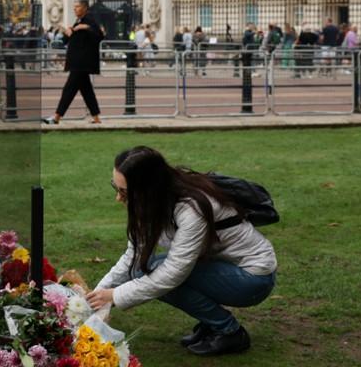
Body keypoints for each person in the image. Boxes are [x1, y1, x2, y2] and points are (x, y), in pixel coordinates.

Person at [87, 146, 276, 356]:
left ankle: (230, 332)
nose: (119, 199)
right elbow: (134, 255)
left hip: (253, 279)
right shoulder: (154, 200)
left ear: (148, 188)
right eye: (116, 187)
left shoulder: (191, 208)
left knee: (156, 272)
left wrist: (115, 295)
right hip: (220, 268)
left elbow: (174, 273)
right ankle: (212, 324)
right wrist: (97, 295)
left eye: (124, 192)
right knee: (143, 270)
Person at [44, 0, 104, 125]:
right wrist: (69, 31)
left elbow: (99, 36)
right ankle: (96, 118)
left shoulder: (89, 20)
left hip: (81, 63)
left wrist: (86, 27)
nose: (74, 9)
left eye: (77, 6)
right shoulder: (78, 21)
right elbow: (68, 39)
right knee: (87, 91)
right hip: (78, 62)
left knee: (69, 89)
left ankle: (56, 117)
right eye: (74, 6)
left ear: (85, 8)